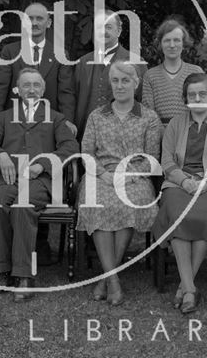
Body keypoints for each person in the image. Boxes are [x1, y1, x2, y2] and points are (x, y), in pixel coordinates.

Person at [0, 2, 76, 264]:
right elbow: (0, 88)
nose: (35, 23)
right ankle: (13, 255)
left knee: (33, 191)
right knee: (10, 193)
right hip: (15, 123)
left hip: (48, 125)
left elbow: (66, 91)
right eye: (30, 19)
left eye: (40, 19)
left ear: (48, 23)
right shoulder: (10, 51)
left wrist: (67, 122)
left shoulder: (59, 53)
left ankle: (39, 247)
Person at [0, 68, 79, 302]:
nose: (31, 89)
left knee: (22, 207)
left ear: (43, 90)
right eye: (26, 85)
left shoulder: (56, 118)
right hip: (9, 178)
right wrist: (2, 154)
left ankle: (24, 276)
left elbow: (70, 148)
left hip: (40, 180)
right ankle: (4, 271)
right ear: (18, 90)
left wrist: (42, 165)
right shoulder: (4, 117)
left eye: (36, 85)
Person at [151, 73, 207, 314]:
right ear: (185, 98)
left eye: (202, 93)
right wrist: (184, 181)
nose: (197, 98)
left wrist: (205, 184)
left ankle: (185, 286)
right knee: (179, 215)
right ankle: (191, 288)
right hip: (178, 184)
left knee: (203, 216)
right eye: (191, 94)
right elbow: (167, 161)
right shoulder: (174, 124)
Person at [77, 61, 162, 305]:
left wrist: (128, 175)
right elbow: (86, 152)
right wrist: (104, 175)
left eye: (126, 80)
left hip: (134, 177)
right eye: (116, 81)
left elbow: (151, 158)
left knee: (127, 204)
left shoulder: (149, 118)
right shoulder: (97, 116)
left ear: (136, 84)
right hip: (100, 175)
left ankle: (105, 279)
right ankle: (113, 280)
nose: (120, 85)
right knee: (98, 203)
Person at [73, 9, 147, 140]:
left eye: (108, 27)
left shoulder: (137, 62)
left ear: (118, 31)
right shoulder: (83, 62)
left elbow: (142, 101)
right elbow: (74, 98)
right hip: (86, 136)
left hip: (124, 137)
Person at [141, 18, 203, 124]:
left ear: (183, 44)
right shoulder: (150, 76)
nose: (172, 45)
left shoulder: (196, 72)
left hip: (190, 135)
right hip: (159, 136)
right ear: (160, 44)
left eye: (177, 40)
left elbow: (202, 110)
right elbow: (148, 116)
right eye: (167, 40)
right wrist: (167, 135)